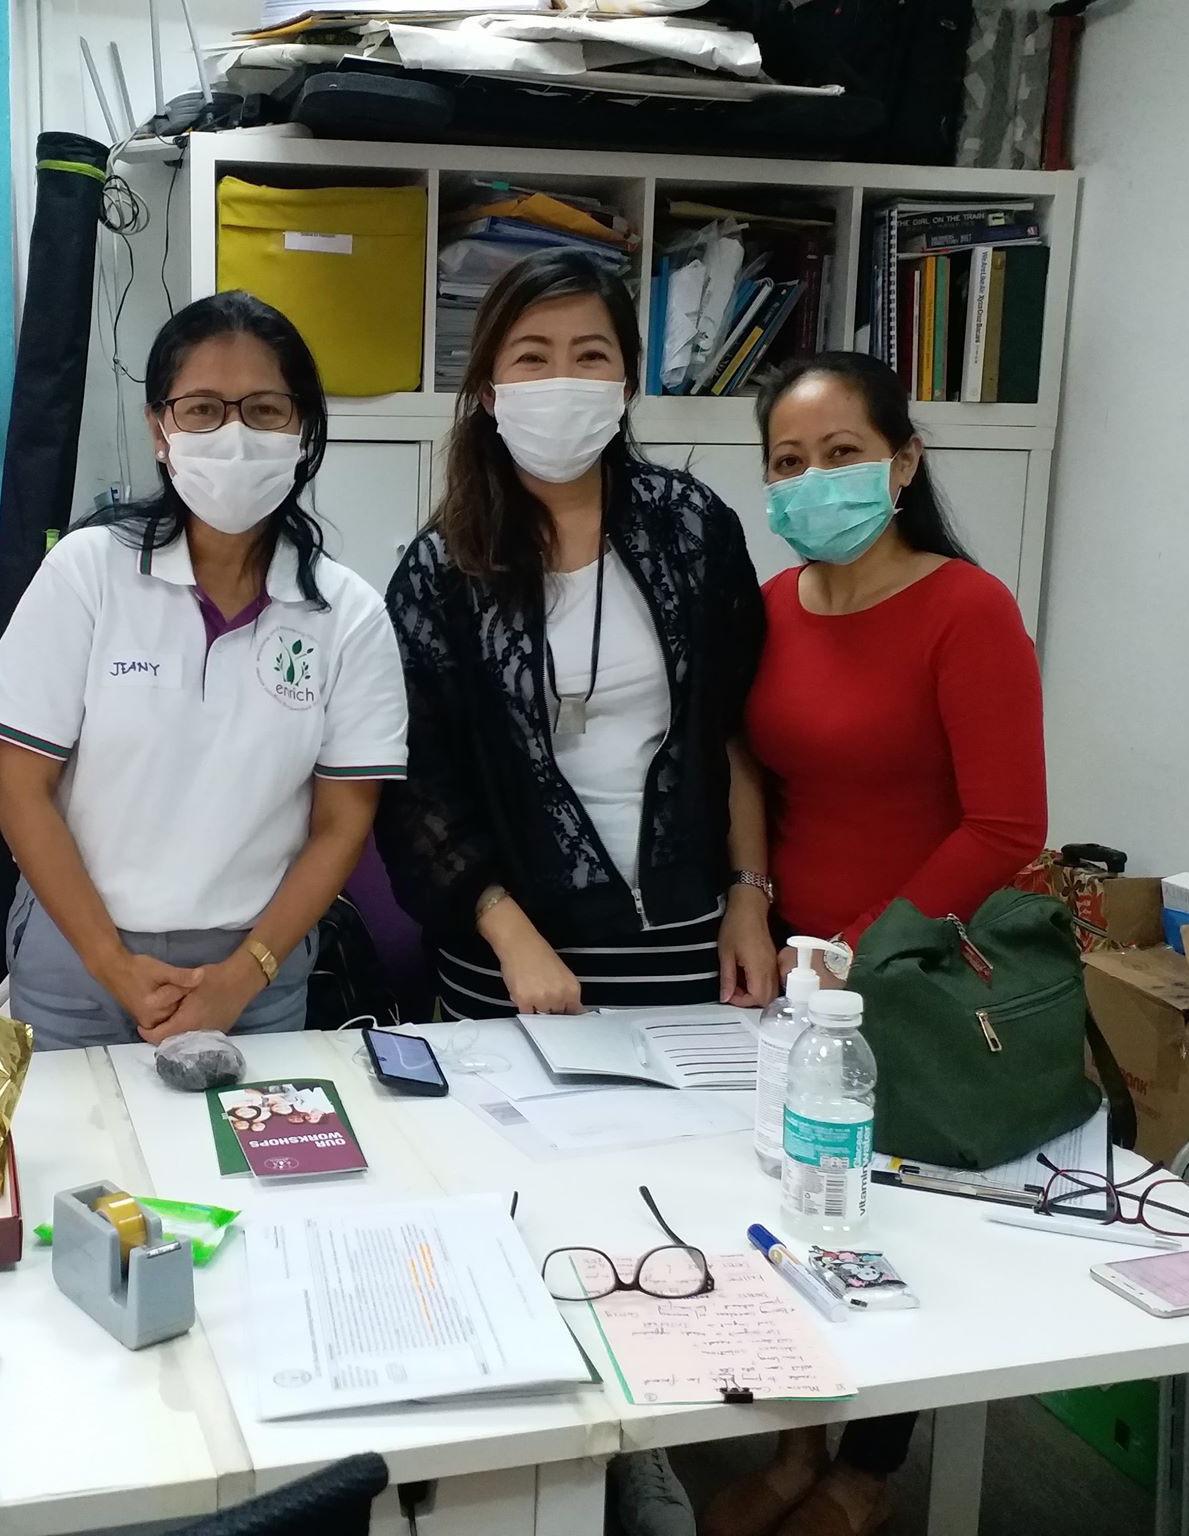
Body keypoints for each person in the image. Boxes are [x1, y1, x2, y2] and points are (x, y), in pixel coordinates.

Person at [706, 350, 1047, 1536]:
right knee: (796, 1200)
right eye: (786, 464)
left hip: (917, 972)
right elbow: (743, 758)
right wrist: (749, 901)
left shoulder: (966, 608)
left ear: (902, 462)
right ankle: (800, 1445)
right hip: (794, 971)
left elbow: (1006, 824)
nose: (812, 482)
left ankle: (870, 1467)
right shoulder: (769, 608)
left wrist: (858, 946)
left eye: (840, 454)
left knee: (895, 1218)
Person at [0, 291, 408, 1050]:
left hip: (256, 964)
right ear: (160, 428)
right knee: (74, 1161)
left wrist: (247, 973)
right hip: (78, 952)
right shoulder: (89, 572)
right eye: (203, 409)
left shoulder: (349, 613)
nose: (235, 435)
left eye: (266, 410)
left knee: (236, 1165)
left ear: (303, 427)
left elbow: (343, 823)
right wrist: (112, 963)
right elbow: (18, 785)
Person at [376, 247, 777, 1020]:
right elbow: (415, 784)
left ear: (626, 385)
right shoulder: (439, 569)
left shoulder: (693, 530)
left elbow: (734, 733)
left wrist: (750, 898)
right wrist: (511, 935)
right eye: (532, 357)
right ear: (490, 392)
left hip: (694, 941)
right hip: (512, 962)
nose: (562, 379)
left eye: (590, 355)